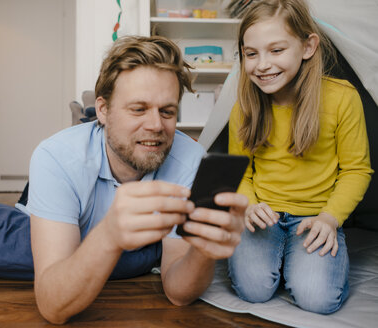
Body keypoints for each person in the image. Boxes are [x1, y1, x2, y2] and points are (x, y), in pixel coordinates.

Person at [27, 35, 248, 324]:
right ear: (103, 110)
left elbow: (178, 293)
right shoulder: (54, 157)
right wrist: (108, 235)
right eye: (138, 109)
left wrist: (203, 250)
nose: (156, 125)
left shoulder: (191, 158)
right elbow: (52, 307)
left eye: (167, 111)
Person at [228, 0, 373, 314]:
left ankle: (297, 260)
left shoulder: (341, 98)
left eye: (276, 51)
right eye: (251, 53)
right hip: (262, 215)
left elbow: (356, 170)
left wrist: (330, 218)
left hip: (315, 218)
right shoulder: (244, 106)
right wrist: (249, 206)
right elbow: (238, 170)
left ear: (308, 46)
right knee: (252, 290)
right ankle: (282, 260)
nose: (262, 65)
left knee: (317, 299)